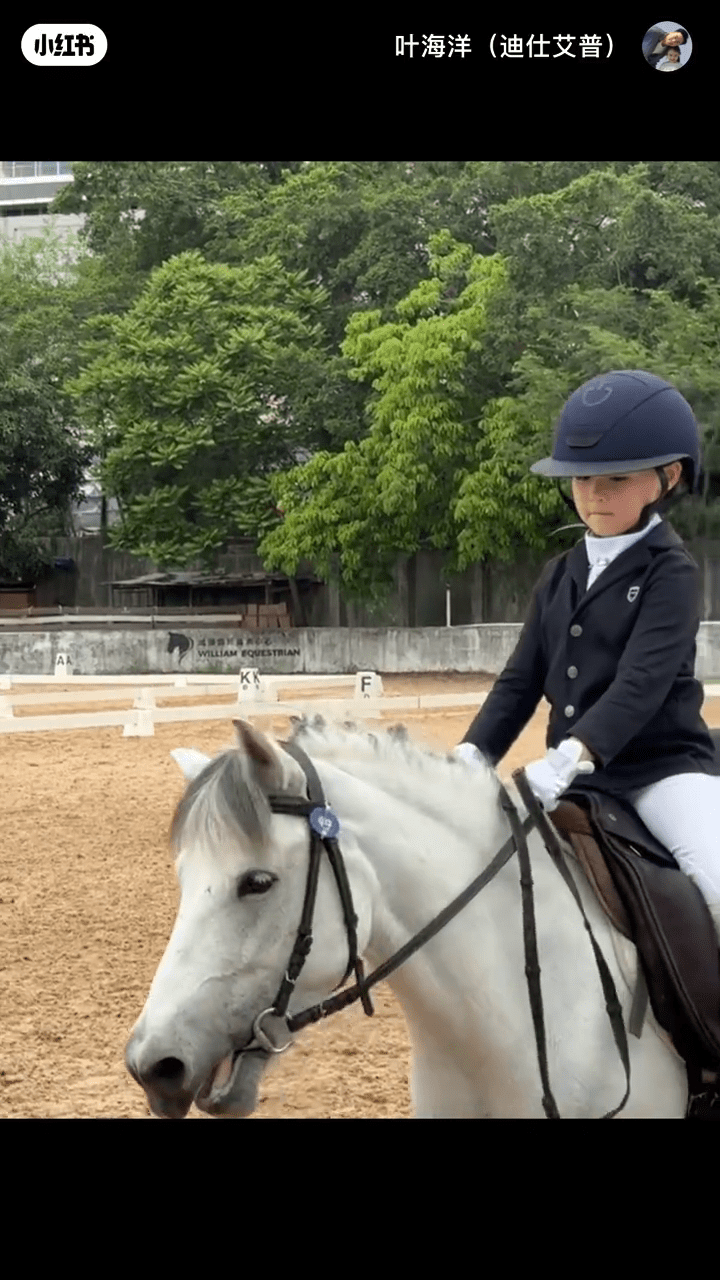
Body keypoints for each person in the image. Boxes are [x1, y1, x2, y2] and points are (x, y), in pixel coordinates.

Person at [455, 370, 720, 944]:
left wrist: (572, 756)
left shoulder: (670, 573)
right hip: (574, 777)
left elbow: (641, 683)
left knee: (717, 884)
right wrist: (472, 755)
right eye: (581, 479)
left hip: (661, 771)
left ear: (666, 478)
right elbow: (519, 682)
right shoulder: (559, 575)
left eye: (616, 478)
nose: (593, 495)